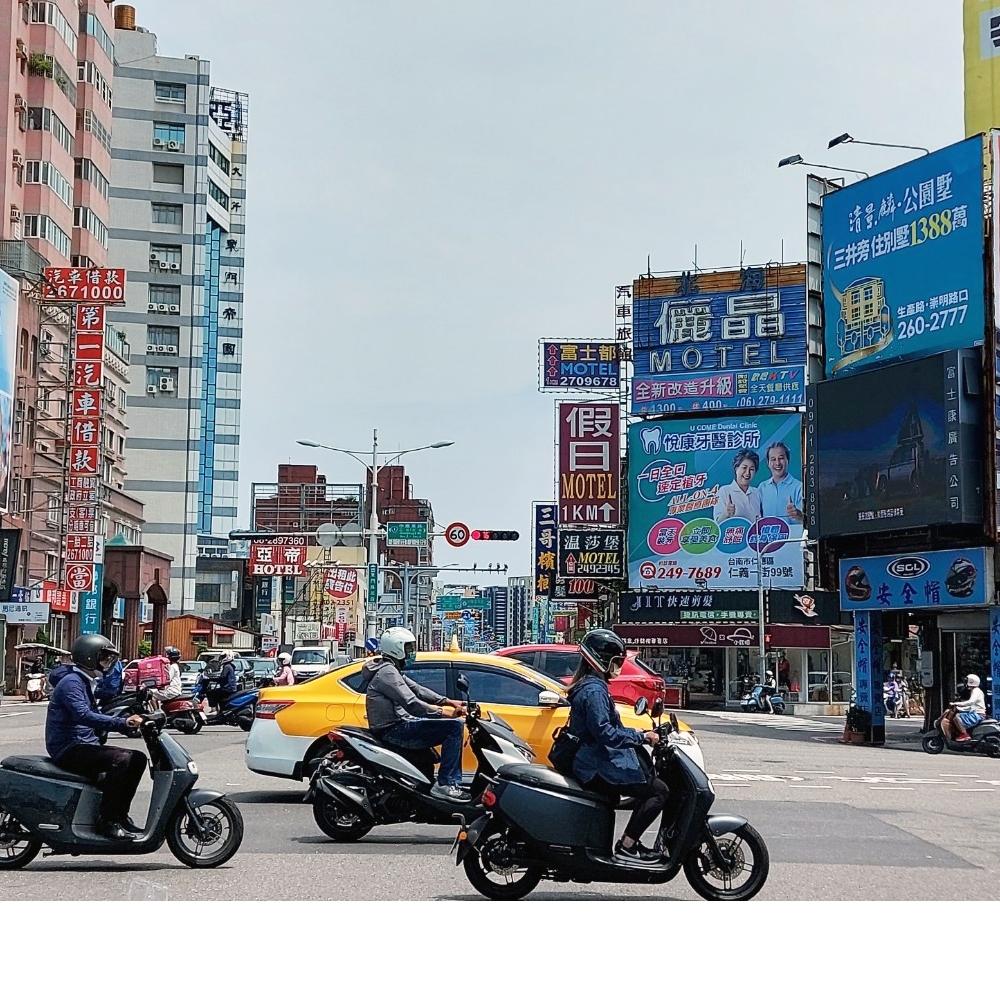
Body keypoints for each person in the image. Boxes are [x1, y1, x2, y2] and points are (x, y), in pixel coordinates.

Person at [567, 629, 667, 864]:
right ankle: (628, 846)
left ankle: (629, 842)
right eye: (616, 661)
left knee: (644, 783)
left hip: (594, 759)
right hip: (593, 765)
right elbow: (605, 733)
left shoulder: (593, 686)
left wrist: (641, 735)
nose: (618, 666)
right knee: (659, 791)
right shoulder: (594, 691)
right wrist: (641, 737)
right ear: (601, 659)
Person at [44, 634, 145, 841]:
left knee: (138, 759)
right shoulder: (72, 682)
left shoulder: (85, 680)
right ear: (89, 658)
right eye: (104, 658)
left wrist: (128, 727)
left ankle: (120, 816)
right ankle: (107, 821)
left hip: (83, 744)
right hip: (69, 748)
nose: (108, 663)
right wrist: (122, 723)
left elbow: (96, 716)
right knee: (122, 759)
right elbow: (83, 715)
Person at [361, 626, 469, 801]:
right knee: (454, 728)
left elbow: (418, 690)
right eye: (409, 648)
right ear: (397, 649)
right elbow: (412, 703)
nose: (412, 653)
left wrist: (448, 701)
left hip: (399, 724)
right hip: (394, 729)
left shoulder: (390, 669)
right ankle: (446, 784)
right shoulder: (387, 672)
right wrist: (447, 714)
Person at [712, 449, 763, 524]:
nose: (747, 473)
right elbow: (717, 524)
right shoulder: (724, 491)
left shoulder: (756, 493)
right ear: (736, 468)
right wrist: (726, 514)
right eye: (744, 468)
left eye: (751, 469)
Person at [758, 441, 804, 524]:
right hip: (767, 535)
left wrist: (798, 514)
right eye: (773, 459)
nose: (777, 463)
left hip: (794, 536)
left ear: (787, 460)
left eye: (781, 458)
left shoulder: (799, 487)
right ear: (768, 463)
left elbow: (808, 519)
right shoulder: (762, 488)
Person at [941, 673, 987, 742]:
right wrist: (960, 708)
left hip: (978, 714)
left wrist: (956, 704)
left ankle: (964, 734)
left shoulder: (976, 691)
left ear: (971, 682)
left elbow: (970, 702)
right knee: (959, 715)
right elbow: (971, 706)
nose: (965, 683)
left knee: (957, 717)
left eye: (966, 681)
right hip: (975, 713)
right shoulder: (975, 691)